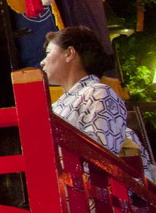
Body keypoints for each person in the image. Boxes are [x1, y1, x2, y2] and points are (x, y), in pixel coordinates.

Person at [43, 26, 153, 175]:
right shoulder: (58, 104)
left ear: (69, 53)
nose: (43, 62)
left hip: (85, 187)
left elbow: (102, 154)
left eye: (48, 53)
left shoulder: (99, 93)